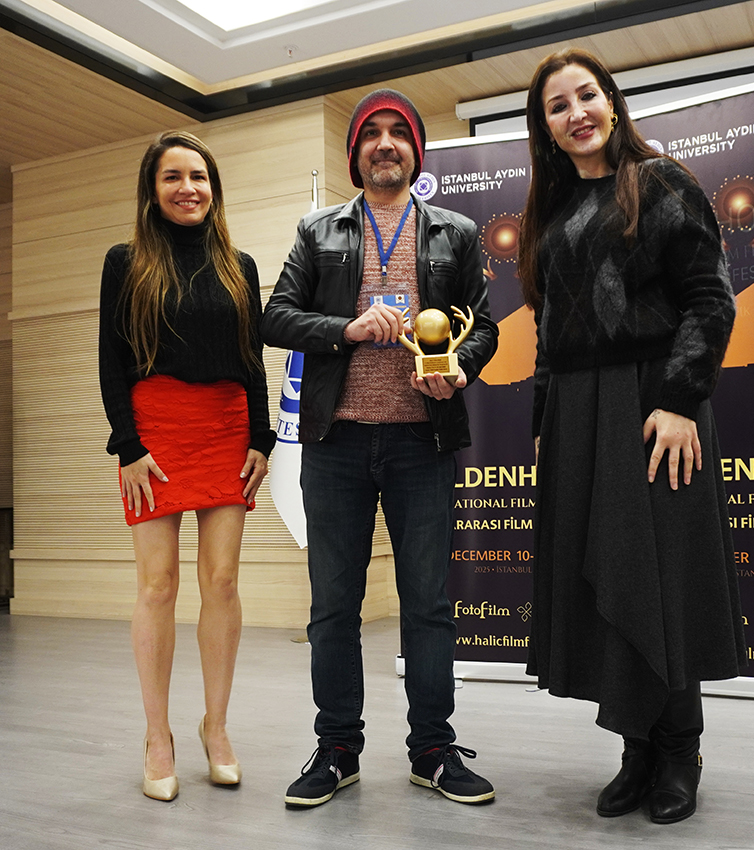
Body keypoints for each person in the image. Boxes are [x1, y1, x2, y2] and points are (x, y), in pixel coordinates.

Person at [518, 49, 747, 824]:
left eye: (586, 95)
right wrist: (544, 424)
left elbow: (710, 300)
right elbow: (549, 336)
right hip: (577, 417)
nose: (576, 112)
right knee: (608, 578)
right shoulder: (550, 216)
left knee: (662, 577)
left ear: (612, 102)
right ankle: (636, 749)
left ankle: (680, 751)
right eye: (558, 106)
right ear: (545, 128)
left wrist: (680, 400)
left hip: (654, 408)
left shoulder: (662, 182)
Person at [262, 89, 499, 807]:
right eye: (373, 133)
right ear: (355, 153)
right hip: (334, 444)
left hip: (422, 442)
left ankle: (432, 749)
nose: (386, 143)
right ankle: (338, 749)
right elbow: (277, 317)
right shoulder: (318, 231)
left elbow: (484, 326)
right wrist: (345, 328)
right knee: (333, 607)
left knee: (427, 604)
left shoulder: (455, 232)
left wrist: (461, 369)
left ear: (415, 152)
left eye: (399, 133)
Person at [98, 131, 275, 801]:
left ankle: (215, 727)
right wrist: (128, 445)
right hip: (155, 431)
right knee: (158, 585)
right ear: (152, 190)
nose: (187, 188)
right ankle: (157, 736)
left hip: (227, 427)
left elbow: (251, 357)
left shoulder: (238, 265)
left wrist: (262, 437)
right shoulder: (126, 261)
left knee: (222, 581)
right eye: (172, 177)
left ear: (213, 187)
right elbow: (111, 357)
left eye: (197, 176)